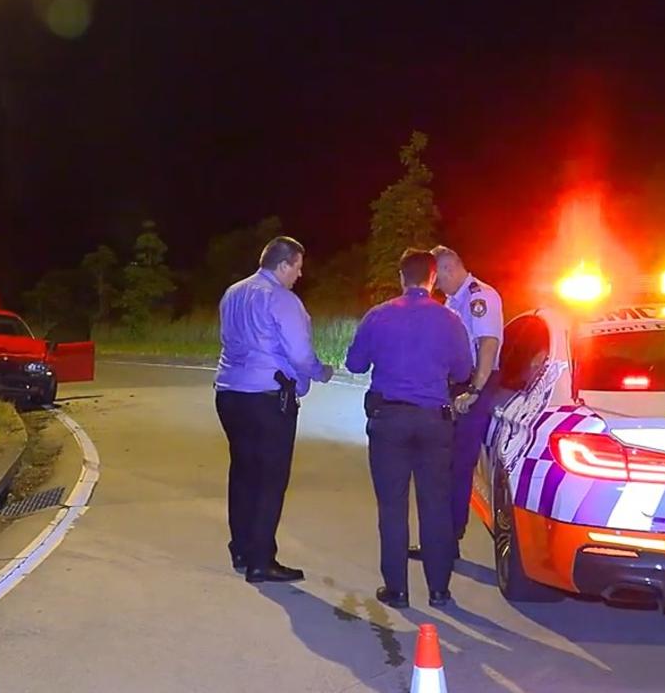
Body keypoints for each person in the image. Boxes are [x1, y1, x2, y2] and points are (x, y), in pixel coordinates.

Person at [345, 249, 473, 608]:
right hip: (435, 422)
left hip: (389, 421)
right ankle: (439, 590)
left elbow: (355, 364)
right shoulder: (449, 320)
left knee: (392, 505)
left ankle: (397, 590)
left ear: (402, 277)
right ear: (432, 279)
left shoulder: (379, 315)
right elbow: (463, 371)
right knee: (435, 505)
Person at [214, 236, 335, 583]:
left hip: (229, 393)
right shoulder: (282, 299)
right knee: (270, 479)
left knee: (243, 472)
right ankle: (261, 560)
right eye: (297, 266)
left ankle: (241, 548)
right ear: (282, 264)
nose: (300, 274)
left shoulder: (232, 293)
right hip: (268, 397)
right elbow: (299, 354)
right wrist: (320, 371)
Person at [420, 245, 504, 558]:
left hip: (473, 386)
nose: (435, 284)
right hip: (458, 386)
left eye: (436, 277)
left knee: (458, 466)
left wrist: (475, 390)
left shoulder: (479, 296)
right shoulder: (455, 301)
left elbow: (488, 344)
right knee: (444, 464)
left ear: (448, 269)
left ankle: (449, 538)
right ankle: (443, 537)